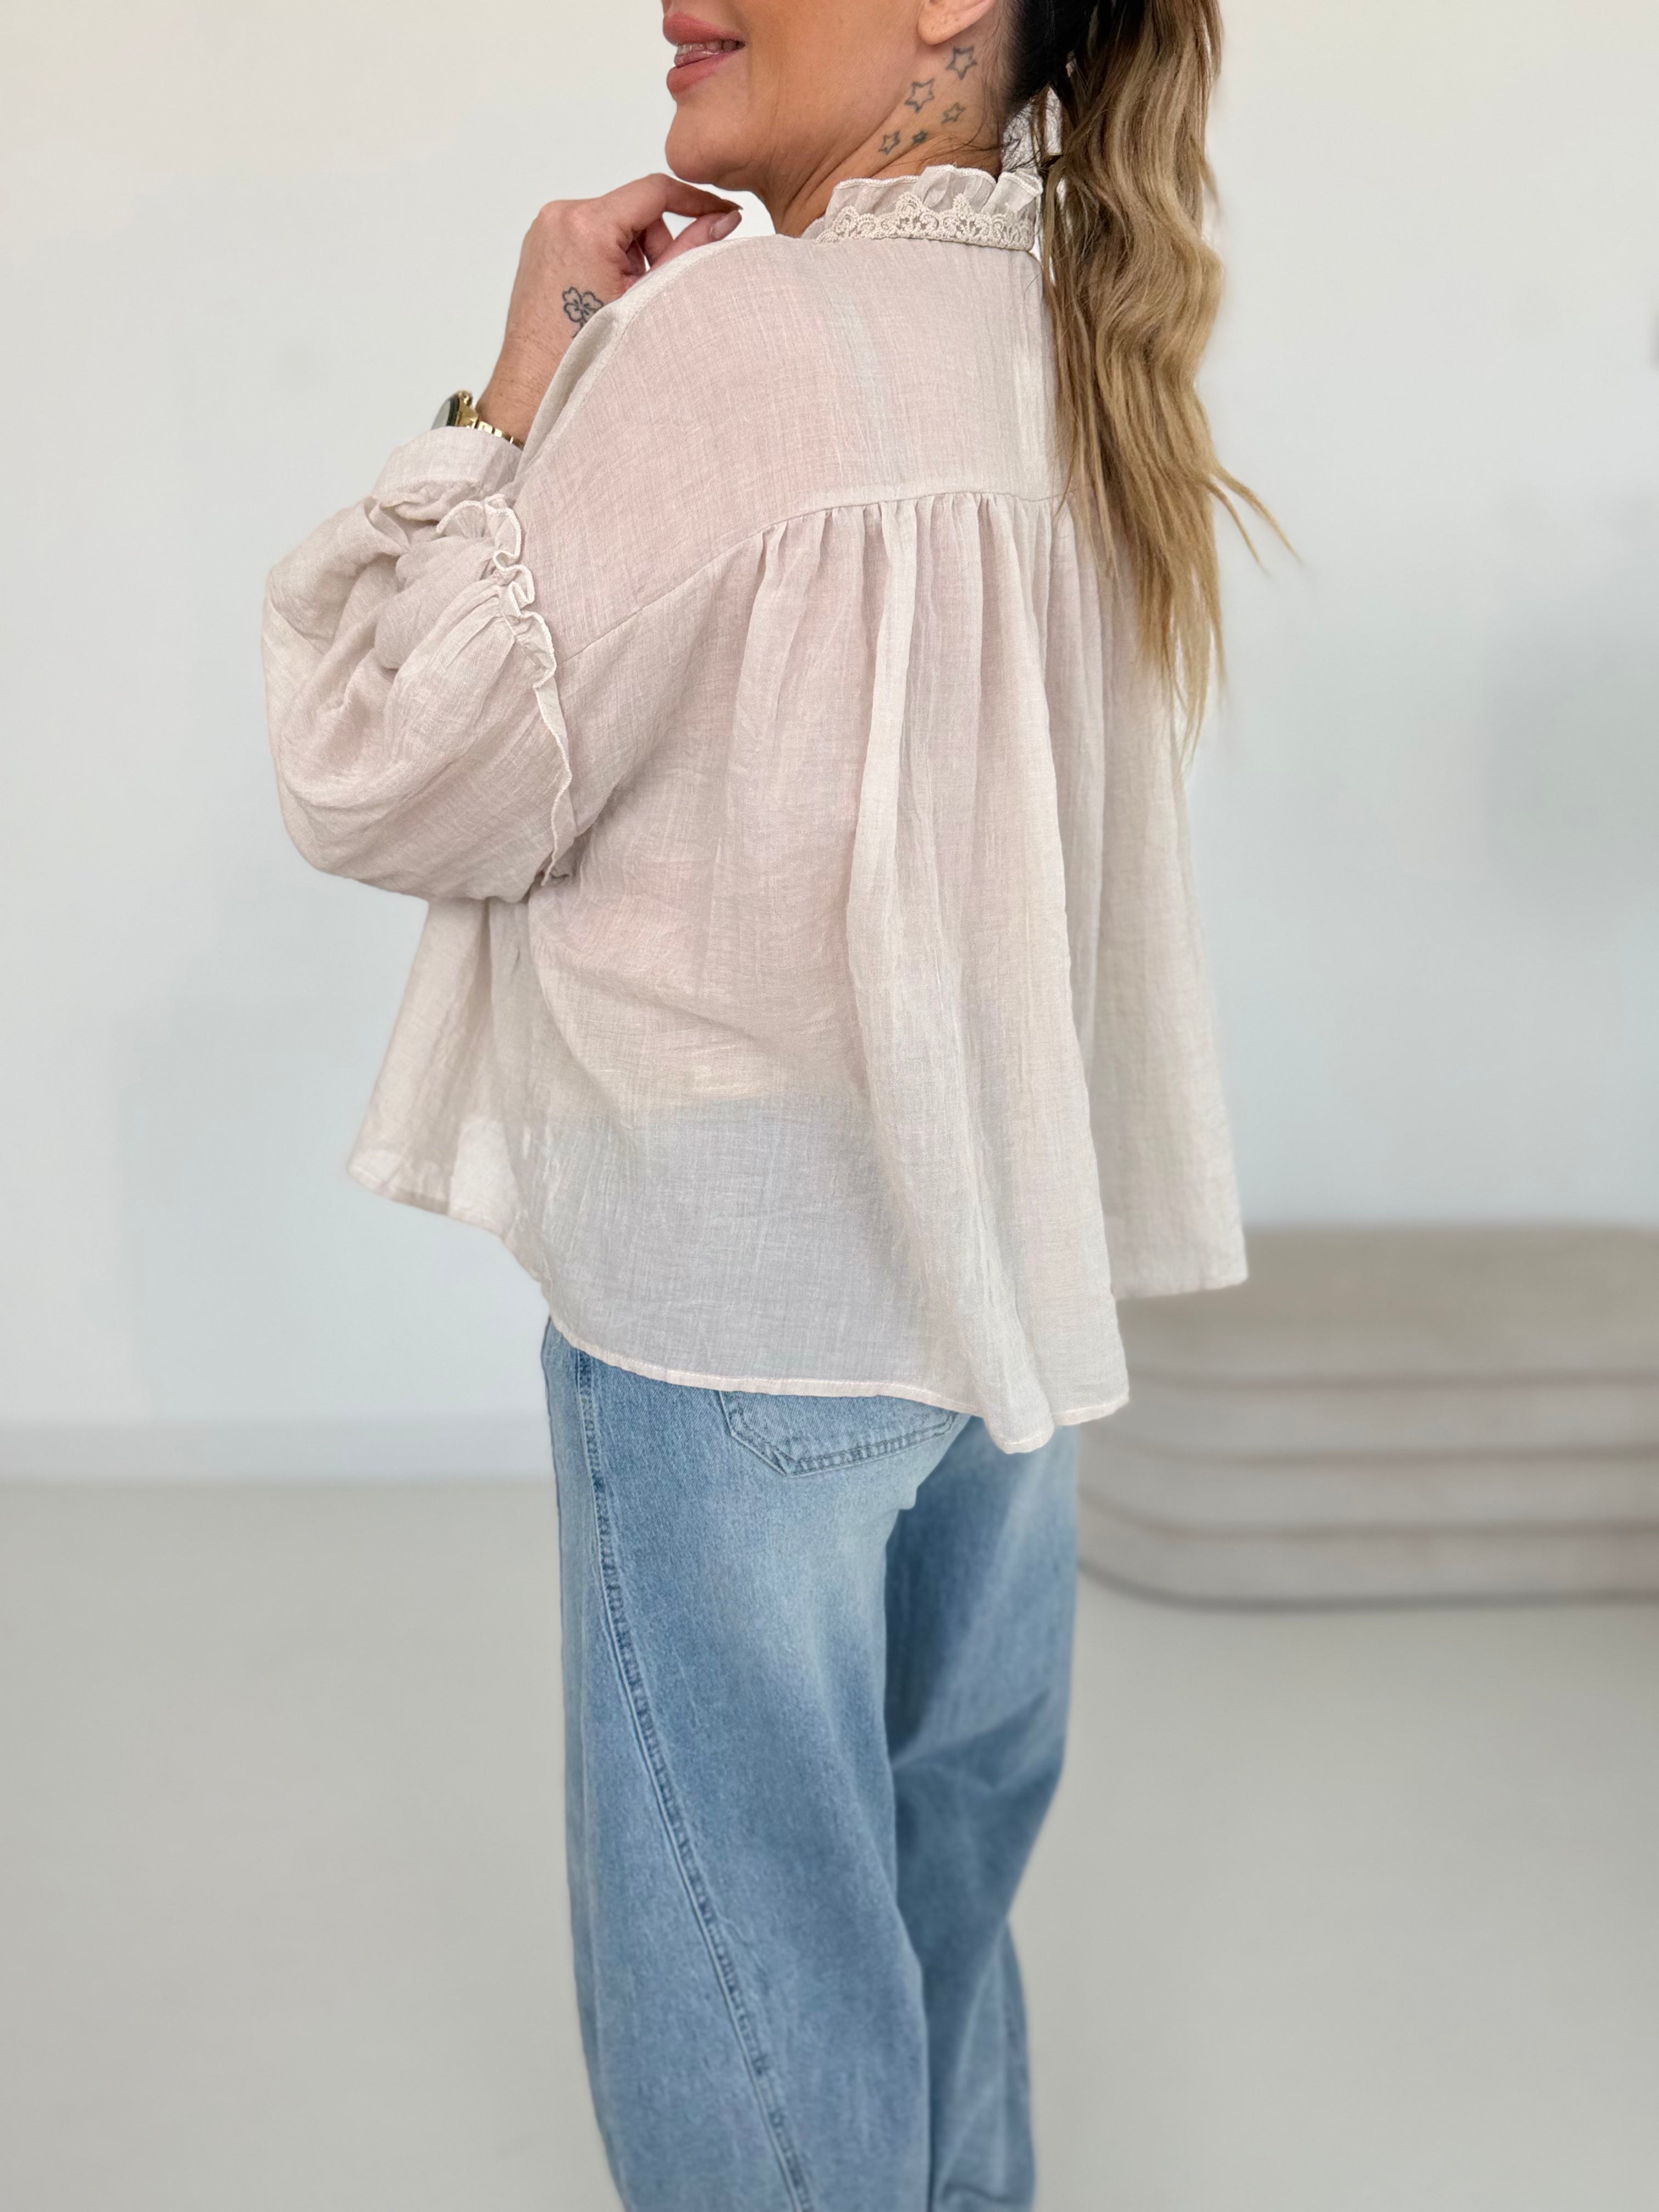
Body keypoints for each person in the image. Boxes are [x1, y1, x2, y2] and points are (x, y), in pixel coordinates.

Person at [263, 0, 1260, 2203]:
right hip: (996, 1285)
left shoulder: (724, 349)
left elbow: (381, 769)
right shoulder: (1081, 340)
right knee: (930, 1893)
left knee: (748, 1961)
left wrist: (517, 376)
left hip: (738, 1316)